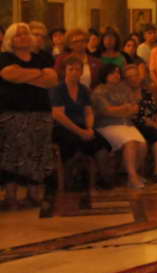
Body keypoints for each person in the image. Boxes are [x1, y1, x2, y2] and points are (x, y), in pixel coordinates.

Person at [0, 23, 57, 208]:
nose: (23, 37)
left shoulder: (41, 57)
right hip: (13, 112)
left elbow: (52, 79)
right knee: (13, 154)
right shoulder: (5, 57)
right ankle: (11, 196)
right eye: (18, 35)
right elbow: (9, 74)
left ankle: (33, 194)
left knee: (38, 152)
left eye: (26, 34)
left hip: (40, 111)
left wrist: (25, 75)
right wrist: (39, 74)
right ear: (10, 40)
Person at [49, 55, 107, 179]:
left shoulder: (83, 89)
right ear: (65, 71)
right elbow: (58, 114)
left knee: (102, 144)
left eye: (78, 69)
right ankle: (69, 179)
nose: (74, 72)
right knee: (74, 143)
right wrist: (80, 131)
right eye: (71, 69)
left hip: (82, 126)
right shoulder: (57, 89)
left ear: (81, 72)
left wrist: (89, 128)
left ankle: (100, 178)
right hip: (62, 127)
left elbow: (88, 112)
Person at [91, 63, 148, 189]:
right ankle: (132, 177)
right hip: (107, 125)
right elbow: (107, 111)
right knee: (130, 142)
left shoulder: (124, 89)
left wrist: (122, 110)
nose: (116, 75)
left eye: (117, 72)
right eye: (112, 73)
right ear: (105, 75)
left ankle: (128, 174)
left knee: (142, 144)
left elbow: (134, 108)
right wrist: (124, 108)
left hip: (126, 123)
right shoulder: (99, 91)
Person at [124, 62, 157, 181]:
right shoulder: (124, 94)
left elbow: (156, 109)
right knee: (150, 132)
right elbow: (130, 115)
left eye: (135, 75)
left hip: (150, 123)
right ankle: (136, 173)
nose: (133, 79)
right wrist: (149, 122)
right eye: (130, 77)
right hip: (133, 125)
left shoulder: (147, 92)